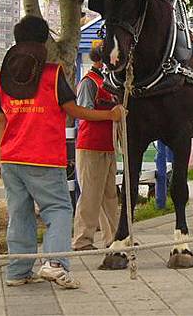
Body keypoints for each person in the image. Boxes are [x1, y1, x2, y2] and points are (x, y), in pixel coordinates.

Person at [0, 16, 125, 289]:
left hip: (12, 157)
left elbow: (1, 119)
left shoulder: (1, 77)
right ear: (43, 42)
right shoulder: (52, 75)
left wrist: (3, 154)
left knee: (19, 214)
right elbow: (73, 111)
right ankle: (54, 264)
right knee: (59, 209)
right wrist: (110, 114)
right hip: (43, 157)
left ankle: (18, 271)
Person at [73, 41, 119, 251]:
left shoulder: (109, 82)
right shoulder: (89, 82)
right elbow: (83, 112)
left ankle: (114, 237)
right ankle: (82, 239)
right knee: (90, 194)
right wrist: (110, 114)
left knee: (110, 194)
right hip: (91, 144)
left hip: (107, 145)